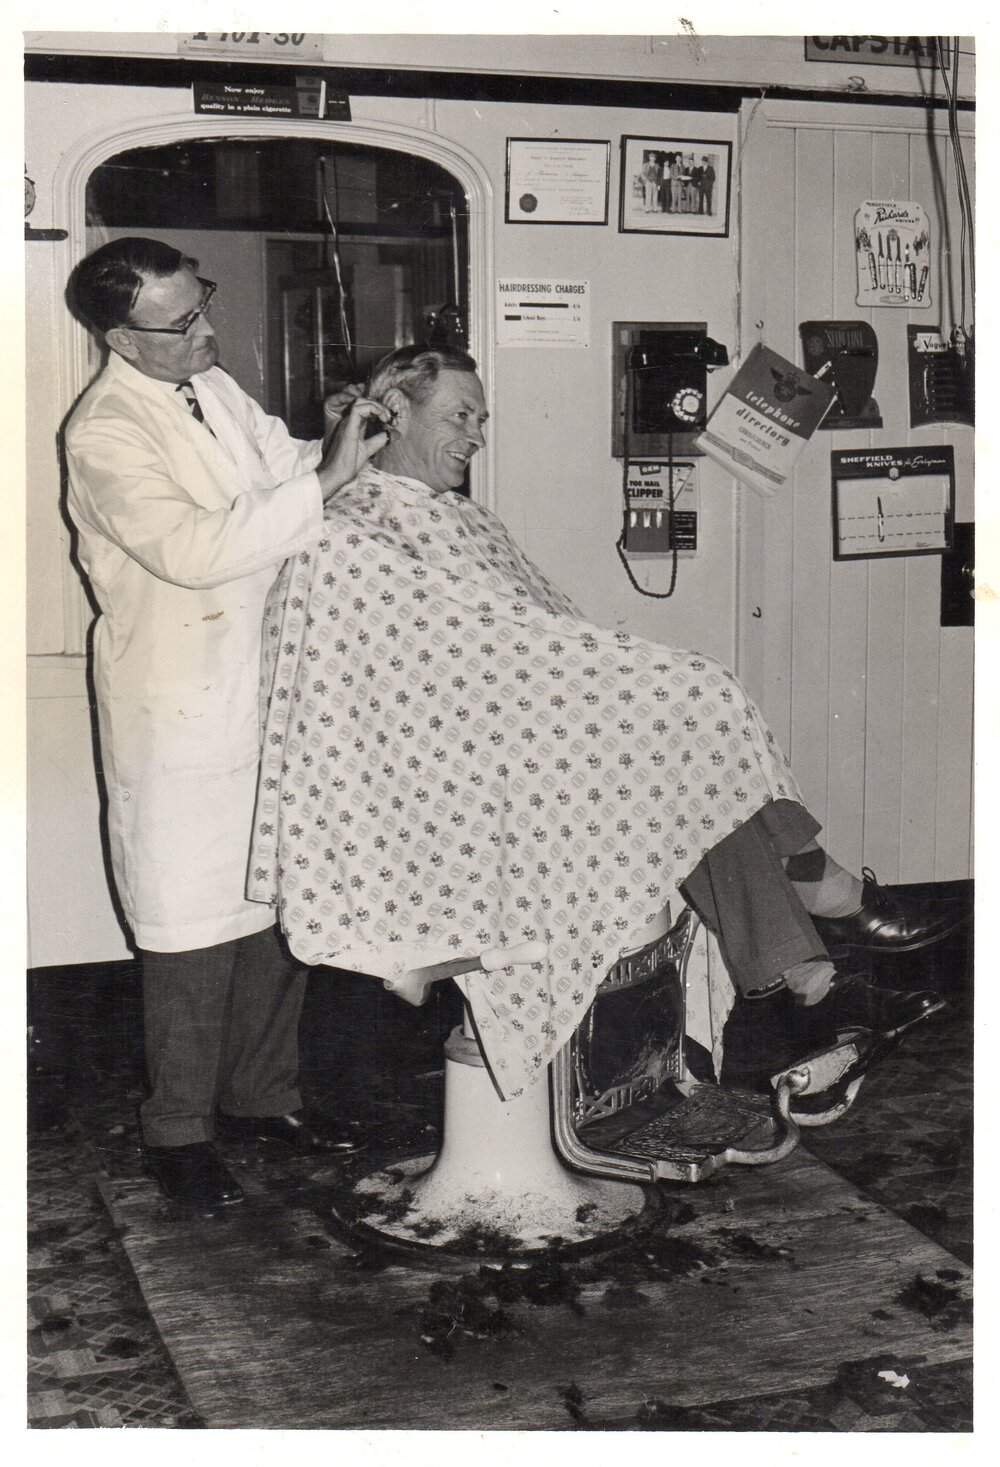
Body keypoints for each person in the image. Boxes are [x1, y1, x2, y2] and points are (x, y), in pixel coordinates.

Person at [250, 346, 961, 1101]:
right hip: (453, 784)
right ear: (391, 413)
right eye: (461, 415)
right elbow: (384, 699)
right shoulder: (351, 534)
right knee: (684, 718)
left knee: (677, 751)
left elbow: (531, 636)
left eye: (483, 419)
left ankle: (811, 972)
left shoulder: (459, 517)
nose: (478, 435)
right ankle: (819, 919)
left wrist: (600, 699)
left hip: (533, 745)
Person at [64, 237, 392, 1210]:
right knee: (190, 930)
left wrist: (335, 444)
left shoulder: (208, 385)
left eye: (200, 303)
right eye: (183, 322)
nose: (208, 328)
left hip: (268, 684)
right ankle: (177, 1133)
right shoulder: (104, 432)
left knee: (274, 910)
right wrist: (321, 483)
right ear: (121, 337)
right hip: (181, 705)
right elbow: (197, 546)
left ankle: (262, 1100)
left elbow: (277, 465)